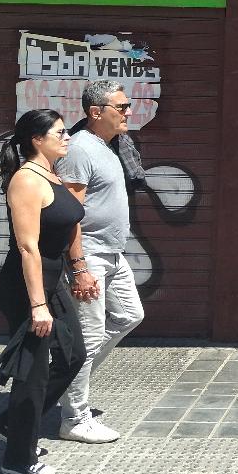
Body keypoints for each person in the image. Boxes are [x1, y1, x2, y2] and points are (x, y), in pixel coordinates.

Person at [0, 109, 88, 474]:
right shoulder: (26, 181)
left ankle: (12, 424)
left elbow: (69, 223)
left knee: (74, 354)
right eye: (60, 133)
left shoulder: (51, 174)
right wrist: (38, 306)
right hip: (27, 286)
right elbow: (28, 248)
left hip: (53, 280)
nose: (67, 138)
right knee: (33, 373)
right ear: (37, 139)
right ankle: (18, 459)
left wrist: (78, 268)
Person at [57, 80, 145, 444]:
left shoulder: (110, 146)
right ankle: (73, 417)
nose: (128, 112)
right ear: (96, 112)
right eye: (121, 107)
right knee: (88, 338)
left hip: (112, 252)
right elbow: (70, 213)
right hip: (89, 254)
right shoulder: (79, 150)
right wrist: (78, 267)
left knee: (129, 315)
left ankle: (64, 381)